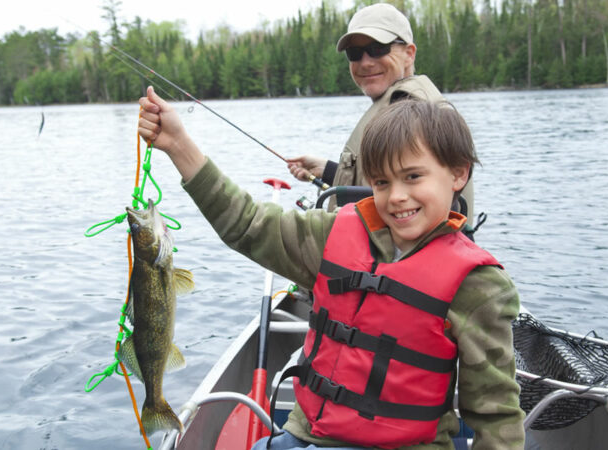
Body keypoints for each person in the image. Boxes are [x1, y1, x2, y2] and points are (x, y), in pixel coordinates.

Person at [138, 86, 525, 449]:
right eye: (381, 182)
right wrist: (177, 145)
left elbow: (495, 413)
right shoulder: (332, 234)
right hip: (308, 437)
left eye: (413, 177)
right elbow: (247, 224)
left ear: (458, 173)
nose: (397, 197)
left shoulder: (479, 285)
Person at [286, 3, 475, 224]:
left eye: (378, 49)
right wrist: (329, 171)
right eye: (354, 53)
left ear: (409, 54)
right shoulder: (396, 104)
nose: (365, 62)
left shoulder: (413, 113)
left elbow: (405, 207)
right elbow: (394, 183)